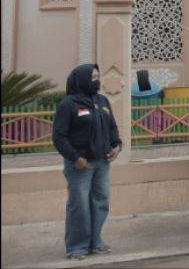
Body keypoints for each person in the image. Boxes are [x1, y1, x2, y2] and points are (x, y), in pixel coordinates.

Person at [53, 64, 122, 260]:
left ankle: (95, 241)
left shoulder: (102, 101)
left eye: (98, 77)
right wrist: (75, 157)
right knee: (79, 205)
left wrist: (117, 145)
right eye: (93, 77)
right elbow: (59, 137)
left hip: (102, 162)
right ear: (82, 80)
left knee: (101, 201)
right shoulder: (69, 104)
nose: (97, 81)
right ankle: (77, 247)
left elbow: (112, 127)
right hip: (80, 164)